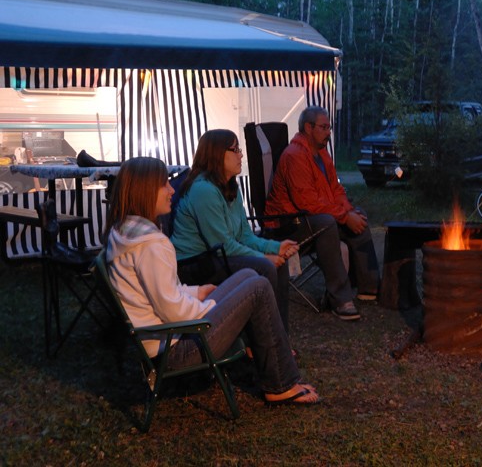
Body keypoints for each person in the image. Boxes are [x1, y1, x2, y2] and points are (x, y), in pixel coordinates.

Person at [104, 157, 319, 405]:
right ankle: (281, 383)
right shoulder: (152, 245)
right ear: (145, 190)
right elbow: (172, 309)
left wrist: (197, 292)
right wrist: (212, 308)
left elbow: (160, 293)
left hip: (165, 337)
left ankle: (267, 358)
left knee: (248, 275)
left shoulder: (125, 232)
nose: (172, 191)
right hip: (176, 349)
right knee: (258, 286)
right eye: (164, 184)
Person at [170, 129, 298, 333]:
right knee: (265, 267)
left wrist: (275, 247)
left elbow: (244, 235)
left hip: (215, 256)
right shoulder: (204, 190)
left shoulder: (230, 186)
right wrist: (263, 257)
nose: (241, 155)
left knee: (277, 264)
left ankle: (278, 335)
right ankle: (263, 339)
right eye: (235, 149)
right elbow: (223, 245)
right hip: (193, 264)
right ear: (217, 154)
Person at [265, 106, 380, 321]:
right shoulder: (294, 156)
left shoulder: (322, 154)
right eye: (324, 127)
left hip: (312, 219)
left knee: (358, 214)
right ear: (308, 128)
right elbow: (307, 203)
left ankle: (369, 288)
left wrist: (349, 212)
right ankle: (340, 299)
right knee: (328, 222)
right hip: (287, 225)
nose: (329, 132)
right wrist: (344, 217)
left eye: (330, 127)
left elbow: (335, 191)